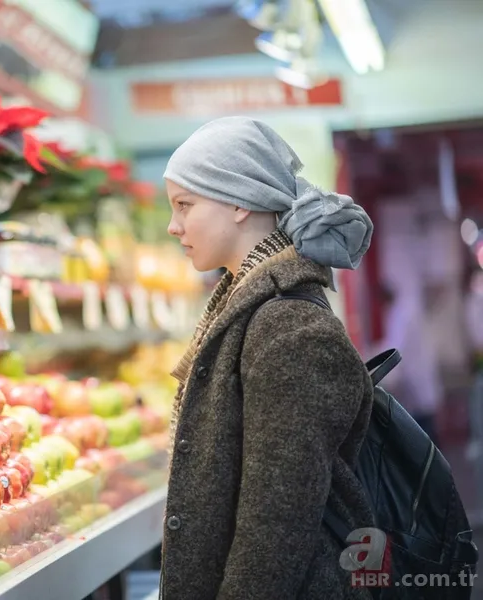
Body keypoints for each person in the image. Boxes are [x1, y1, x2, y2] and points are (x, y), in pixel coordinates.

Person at [160, 116, 375, 599]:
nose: (173, 226)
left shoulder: (288, 328)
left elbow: (277, 524)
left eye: (184, 205)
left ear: (239, 201)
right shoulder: (249, 310)